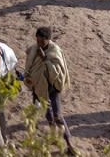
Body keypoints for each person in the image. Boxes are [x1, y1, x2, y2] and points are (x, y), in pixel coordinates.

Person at [24, 27, 75, 155]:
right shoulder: (33, 49)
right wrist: (27, 77)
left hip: (52, 88)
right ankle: (53, 135)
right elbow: (29, 66)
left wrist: (45, 59)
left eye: (42, 41)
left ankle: (69, 143)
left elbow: (58, 72)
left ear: (48, 40)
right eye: (37, 40)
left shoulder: (55, 51)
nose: (39, 43)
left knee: (58, 115)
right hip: (38, 87)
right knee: (46, 112)